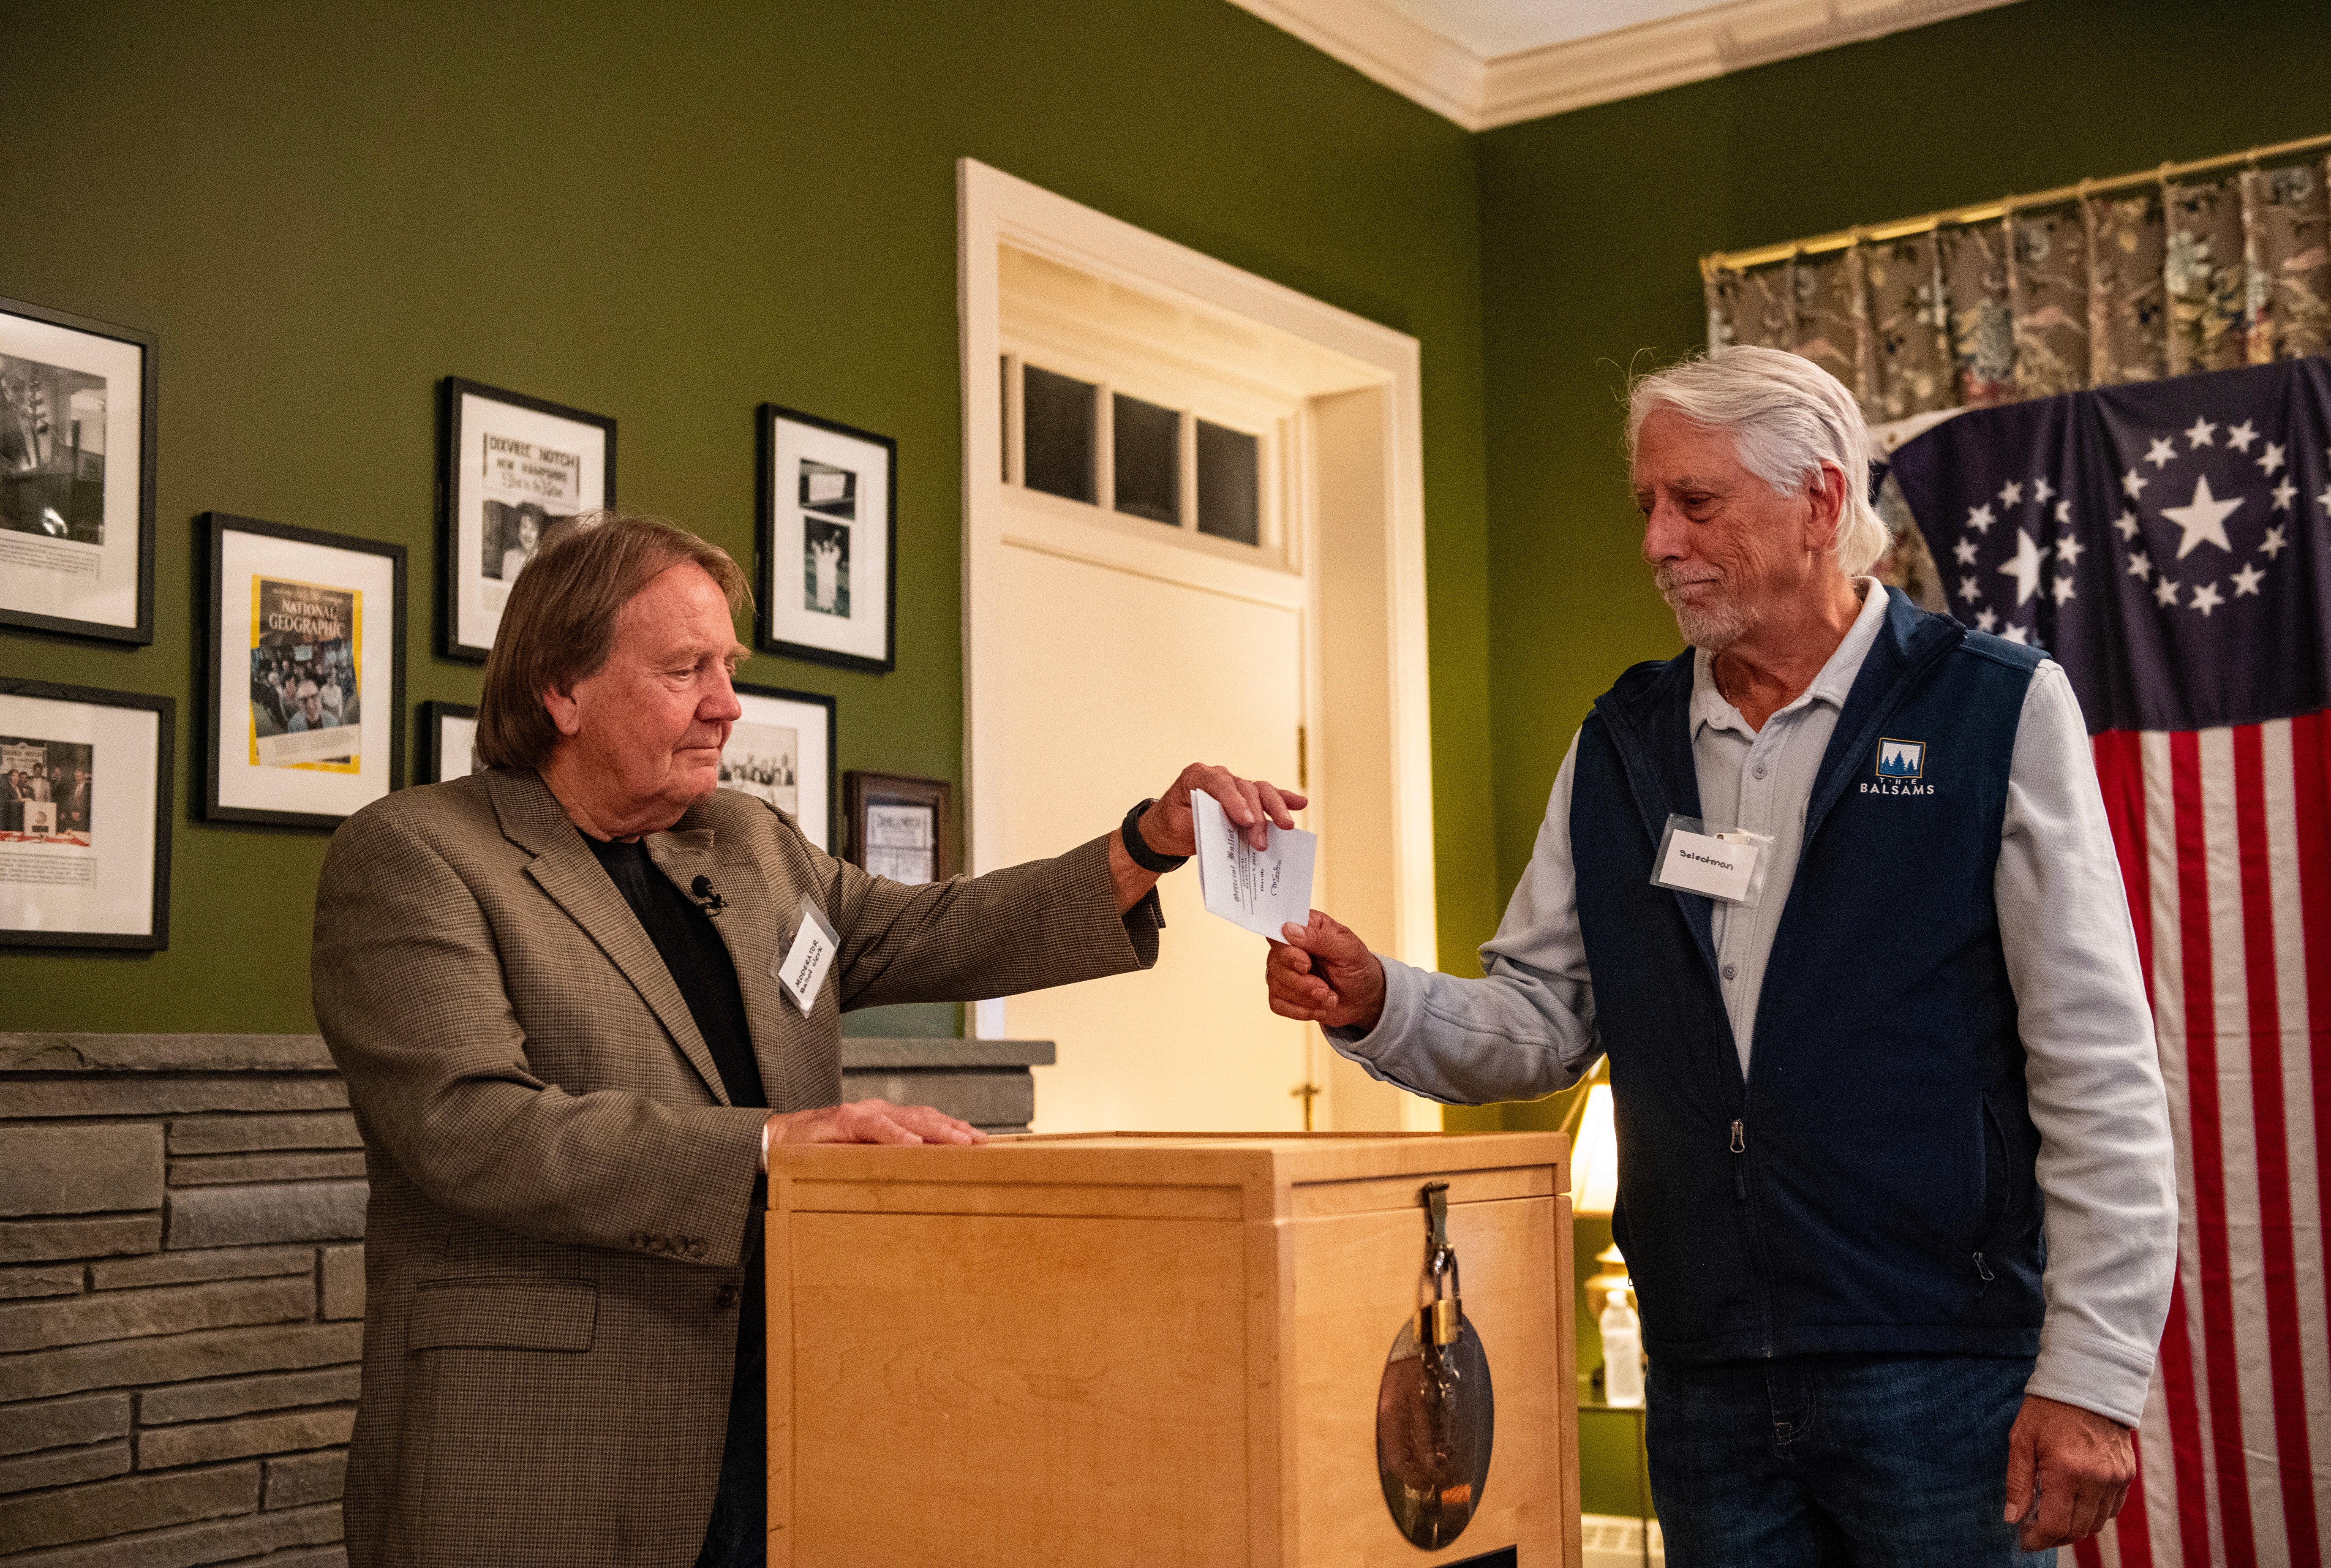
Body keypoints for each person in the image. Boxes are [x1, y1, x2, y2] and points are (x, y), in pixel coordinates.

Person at [1266, 347, 2176, 1564]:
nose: (1657, 541)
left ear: (1819, 502)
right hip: (1705, 1385)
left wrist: (2097, 1371)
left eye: (1696, 502)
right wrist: (1379, 1002)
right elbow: (1544, 1016)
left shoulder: (1993, 709)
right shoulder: (1623, 743)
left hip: (1947, 1377)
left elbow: (2098, 1066)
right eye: (1648, 505)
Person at [311, 510, 1297, 1568]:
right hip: (552, 1441)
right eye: (686, 668)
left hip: (783, 1408)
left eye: (727, 666)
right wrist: (771, 1149)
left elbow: (934, 929)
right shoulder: (417, 854)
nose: (727, 704)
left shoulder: (746, 842)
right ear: (563, 688)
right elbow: (468, 1125)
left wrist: (1146, 841)